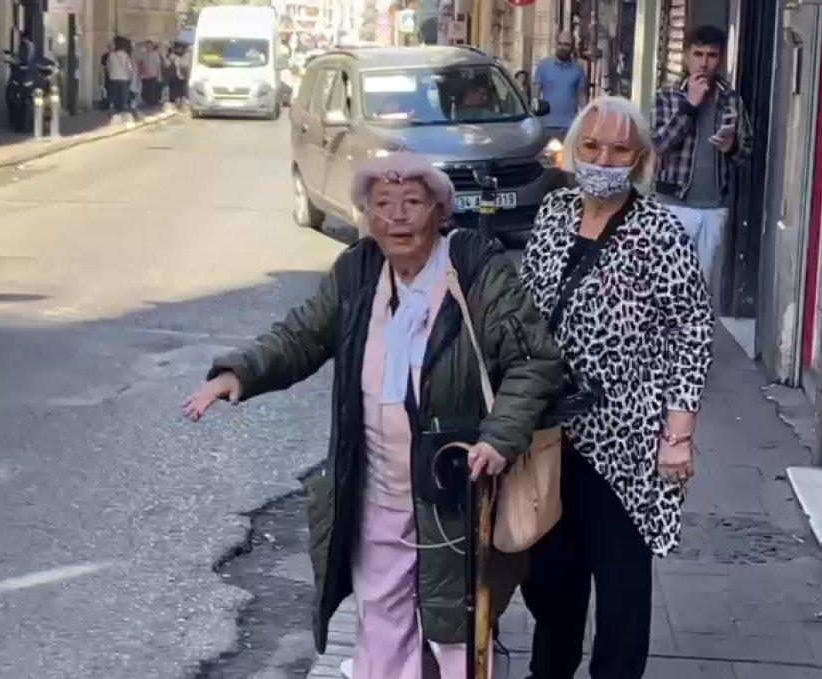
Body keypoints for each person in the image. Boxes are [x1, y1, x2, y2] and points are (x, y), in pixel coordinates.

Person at [183, 153, 561, 678]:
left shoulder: (476, 271)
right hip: (377, 486)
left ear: (439, 212)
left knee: (458, 627)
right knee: (381, 620)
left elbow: (533, 361)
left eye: (412, 203)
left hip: (454, 489)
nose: (398, 218)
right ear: (367, 217)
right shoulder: (358, 272)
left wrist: (499, 438)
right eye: (383, 205)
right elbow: (301, 336)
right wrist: (239, 374)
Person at [518, 95, 714, 679]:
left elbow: (692, 330)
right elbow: (523, 308)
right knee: (553, 583)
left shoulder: (660, 229)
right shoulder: (552, 212)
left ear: (641, 158)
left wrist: (678, 434)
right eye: (592, 146)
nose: (604, 158)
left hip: (627, 440)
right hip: (550, 435)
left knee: (622, 592)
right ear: (573, 149)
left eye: (619, 148)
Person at [651, 24, 752, 297]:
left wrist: (731, 147)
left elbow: (746, 152)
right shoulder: (668, 95)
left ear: (720, 60)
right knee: (667, 286)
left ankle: (694, 339)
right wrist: (689, 106)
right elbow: (658, 144)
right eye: (698, 54)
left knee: (701, 290)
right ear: (686, 56)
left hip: (713, 208)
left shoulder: (729, 98)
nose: (704, 63)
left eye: (712, 55)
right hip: (673, 205)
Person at [533, 32, 587, 136]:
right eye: (560, 43)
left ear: (572, 47)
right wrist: (535, 117)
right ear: (556, 44)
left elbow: (582, 96)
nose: (563, 47)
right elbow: (535, 95)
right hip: (546, 126)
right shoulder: (543, 66)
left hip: (570, 127)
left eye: (566, 44)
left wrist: (586, 118)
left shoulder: (577, 69)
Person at [105, 36, 136, 118]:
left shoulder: (111, 55)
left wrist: (110, 74)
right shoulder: (126, 55)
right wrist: (130, 76)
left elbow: (108, 66)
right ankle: (123, 111)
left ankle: (113, 109)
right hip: (124, 78)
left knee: (114, 94)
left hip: (113, 77)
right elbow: (129, 68)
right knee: (123, 95)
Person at [138, 40, 163, 108]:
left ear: (152, 46)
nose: (147, 47)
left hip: (153, 75)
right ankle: (147, 102)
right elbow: (143, 65)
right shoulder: (144, 55)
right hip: (145, 76)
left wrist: (158, 76)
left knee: (151, 90)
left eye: (149, 46)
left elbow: (158, 65)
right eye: (146, 46)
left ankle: (152, 104)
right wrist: (141, 74)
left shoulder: (155, 54)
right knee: (146, 90)